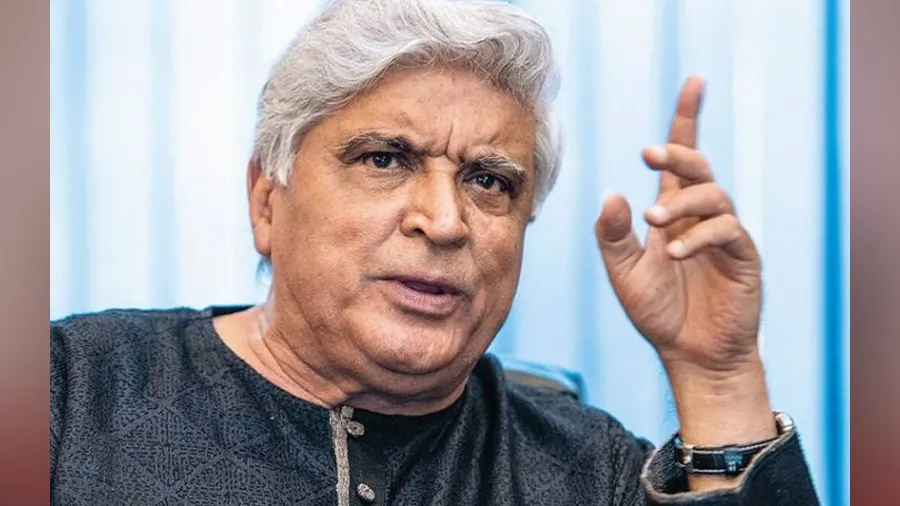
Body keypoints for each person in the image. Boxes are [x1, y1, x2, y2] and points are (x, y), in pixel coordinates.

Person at [50, 0, 820, 504]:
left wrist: (717, 377)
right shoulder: (71, 393)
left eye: (489, 181)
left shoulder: (590, 471)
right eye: (385, 159)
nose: (445, 221)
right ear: (265, 200)